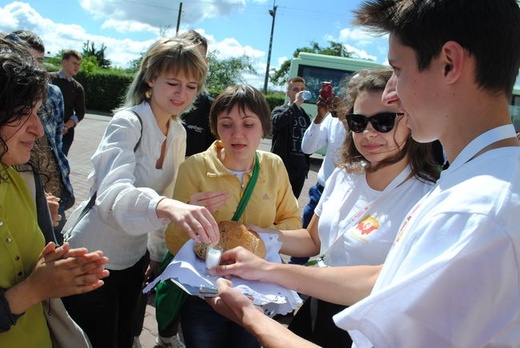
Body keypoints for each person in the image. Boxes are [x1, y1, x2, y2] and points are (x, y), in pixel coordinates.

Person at [206, 0, 520, 346]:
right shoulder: (478, 187)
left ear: (449, 63)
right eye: (358, 121)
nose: (392, 94)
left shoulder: (470, 211)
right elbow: (384, 277)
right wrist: (266, 268)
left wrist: (250, 317)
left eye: (397, 70)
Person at [213, 68, 439, 347]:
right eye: (358, 122)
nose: (368, 132)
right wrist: (253, 233)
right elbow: (312, 240)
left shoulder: (429, 198)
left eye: (384, 121)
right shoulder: (345, 175)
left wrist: (265, 270)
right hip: (315, 310)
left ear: (412, 120)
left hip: (367, 328)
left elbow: (384, 283)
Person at [62, 37, 220, 348]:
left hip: (135, 257)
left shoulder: (178, 131)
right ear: (150, 78)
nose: (182, 94)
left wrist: (183, 207)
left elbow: (164, 200)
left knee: (124, 337)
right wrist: (169, 206)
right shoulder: (127, 121)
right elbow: (112, 195)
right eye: (173, 82)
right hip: (92, 257)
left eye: (191, 87)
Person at [164, 84, 302, 348]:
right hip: (204, 293)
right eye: (226, 124)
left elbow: (292, 221)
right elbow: (172, 241)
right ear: (215, 127)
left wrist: (260, 235)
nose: (237, 134)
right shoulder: (194, 167)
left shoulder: (273, 165)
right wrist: (187, 217)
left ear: (264, 127)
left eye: (248, 124)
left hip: (256, 290)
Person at [0, 36, 109, 348]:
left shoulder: (24, 175)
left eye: (38, 111)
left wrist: (60, 270)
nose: (38, 128)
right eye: (22, 113)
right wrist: (33, 290)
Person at [151, 29, 213, 348]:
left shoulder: (203, 108)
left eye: (198, 54)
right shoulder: (142, 117)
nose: (183, 90)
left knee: (173, 266)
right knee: (153, 265)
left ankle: (166, 330)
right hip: (158, 202)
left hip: (185, 199)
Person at [10, 29, 75, 243]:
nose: (34, 68)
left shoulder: (54, 93)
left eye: (39, 61)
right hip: (22, 184)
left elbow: (55, 141)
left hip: (48, 183)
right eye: (25, 60)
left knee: (53, 240)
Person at [289, 74, 351, 265]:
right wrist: (319, 116)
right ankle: (293, 283)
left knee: (340, 250)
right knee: (302, 247)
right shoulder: (330, 120)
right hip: (321, 192)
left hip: (348, 196)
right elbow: (307, 148)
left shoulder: (362, 124)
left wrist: (344, 119)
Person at [271, 76, 312, 198]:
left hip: (299, 168)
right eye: (295, 89)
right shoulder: (279, 110)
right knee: (276, 201)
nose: (300, 92)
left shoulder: (304, 115)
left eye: (302, 89)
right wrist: (295, 104)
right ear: (288, 92)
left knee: (292, 203)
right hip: (283, 166)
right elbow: (276, 123)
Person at [178, 29, 215, 157]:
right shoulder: (155, 100)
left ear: (205, 63)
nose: (192, 65)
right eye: (187, 57)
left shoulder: (210, 108)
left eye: (198, 58)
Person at [49, 49, 86, 156]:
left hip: (66, 133)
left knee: (60, 162)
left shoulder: (78, 88)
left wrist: (66, 126)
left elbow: (80, 112)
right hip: (46, 129)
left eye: (79, 64)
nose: (77, 67)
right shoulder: (48, 79)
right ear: (64, 62)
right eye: (74, 63)